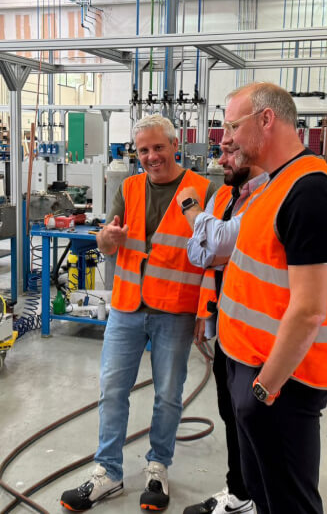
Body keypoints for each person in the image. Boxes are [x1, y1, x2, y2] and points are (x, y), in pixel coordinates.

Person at [60, 114, 218, 512]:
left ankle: (158, 467)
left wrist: (205, 311)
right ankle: (108, 471)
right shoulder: (128, 188)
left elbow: (213, 258)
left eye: (158, 147)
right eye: (143, 150)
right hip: (127, 307)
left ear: (175, 146)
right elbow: (105, 243)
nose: (151, 156)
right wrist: (106, 239)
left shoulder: (203, 190)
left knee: (168, 395)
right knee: (112, 389)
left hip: (176, 310)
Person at [219, 82, 327, 514]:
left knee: (290, 504)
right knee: (265, 496)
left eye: (232, 126)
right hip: (253, 367)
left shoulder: (311, 192)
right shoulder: (274, 183)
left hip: (284, 383)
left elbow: (309, 309)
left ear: (266, 119)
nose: (227, 138)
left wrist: (264, 389)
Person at [175, 137, 267, 514]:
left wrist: (194, 213)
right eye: (220, 152)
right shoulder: (225, 197)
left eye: (230, 152)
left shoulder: (268, 197)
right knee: (231, 413)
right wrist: (205, 311)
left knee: (260, 424)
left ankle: (261, 498)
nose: (221, 160)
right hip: (229, 326)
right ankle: (239, 494)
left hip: (261, 335)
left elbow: (219, 242)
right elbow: (200, 254)